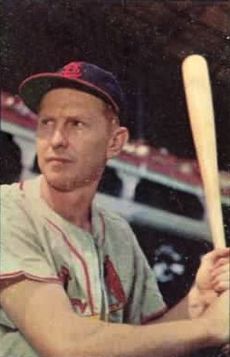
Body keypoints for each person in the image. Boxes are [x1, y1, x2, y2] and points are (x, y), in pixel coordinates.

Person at [0, 61, 229, 357]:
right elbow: (68, 345)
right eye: (47, 123)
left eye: (76, 124)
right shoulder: (8, 212)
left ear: (115, 142)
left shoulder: (118, 233)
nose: (56, 140)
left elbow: (144, 339)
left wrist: (196, 303)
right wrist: (211, 327)